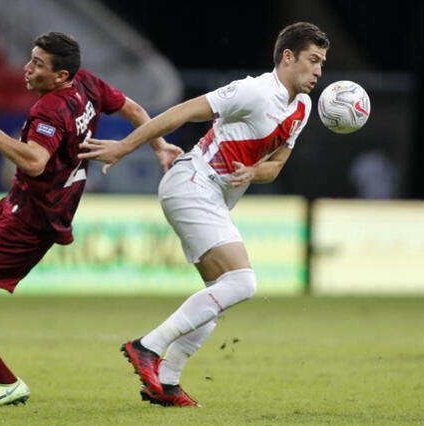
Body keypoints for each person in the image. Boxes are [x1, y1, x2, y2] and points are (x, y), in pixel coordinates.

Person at [0, 32, 182, 407]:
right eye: (30, 59)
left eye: (38, 64)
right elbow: (134, 109)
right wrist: (159, 146)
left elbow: (34, 161)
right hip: (23, 205)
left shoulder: (51, 108)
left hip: (31, 220)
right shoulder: (88, 84)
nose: (27, 69)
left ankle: (7, 383)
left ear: (61, 76)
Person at [80, 22, 330, 407]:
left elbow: (277, 164)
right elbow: (181, 112)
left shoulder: (302, 107)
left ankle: (166, 383)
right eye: (312, 60)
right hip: (193, 183)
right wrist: (125, 147)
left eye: (322, 63)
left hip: (213, 196)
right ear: (287, 57)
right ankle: (148, 346)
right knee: (243, 283)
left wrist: (253, 172)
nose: (318, 71)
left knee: (221, 293)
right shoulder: (253, 90)